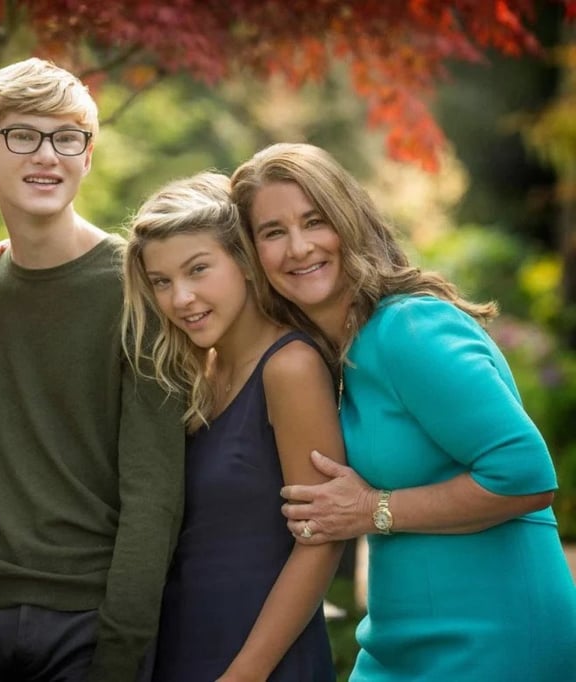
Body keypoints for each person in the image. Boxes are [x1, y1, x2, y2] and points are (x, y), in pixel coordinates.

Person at [230, 142, 576, 681]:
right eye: (273, 232)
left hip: (495, 639)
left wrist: (373, 509)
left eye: (314, 221)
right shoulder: (335, 355)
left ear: (350, 221)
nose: (298, 248)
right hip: (398, 643)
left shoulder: (409, 328)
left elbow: (527, 477)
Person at [0, 57, 185, 682]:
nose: (46, 155)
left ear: (88, 155)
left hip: (89, 617)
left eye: (66, 138)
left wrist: (124, 644)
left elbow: (153, 496)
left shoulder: (138, 290)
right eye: (22, 136)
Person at [121, 172, 342, 682]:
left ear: (243, 262)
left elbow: (321, 540)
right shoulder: (200, 373)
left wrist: (246, 672)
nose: (180, 299)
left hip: (260, 661)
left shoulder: (290, 368)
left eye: (198, 269)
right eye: (161, 282)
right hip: (181, 647)